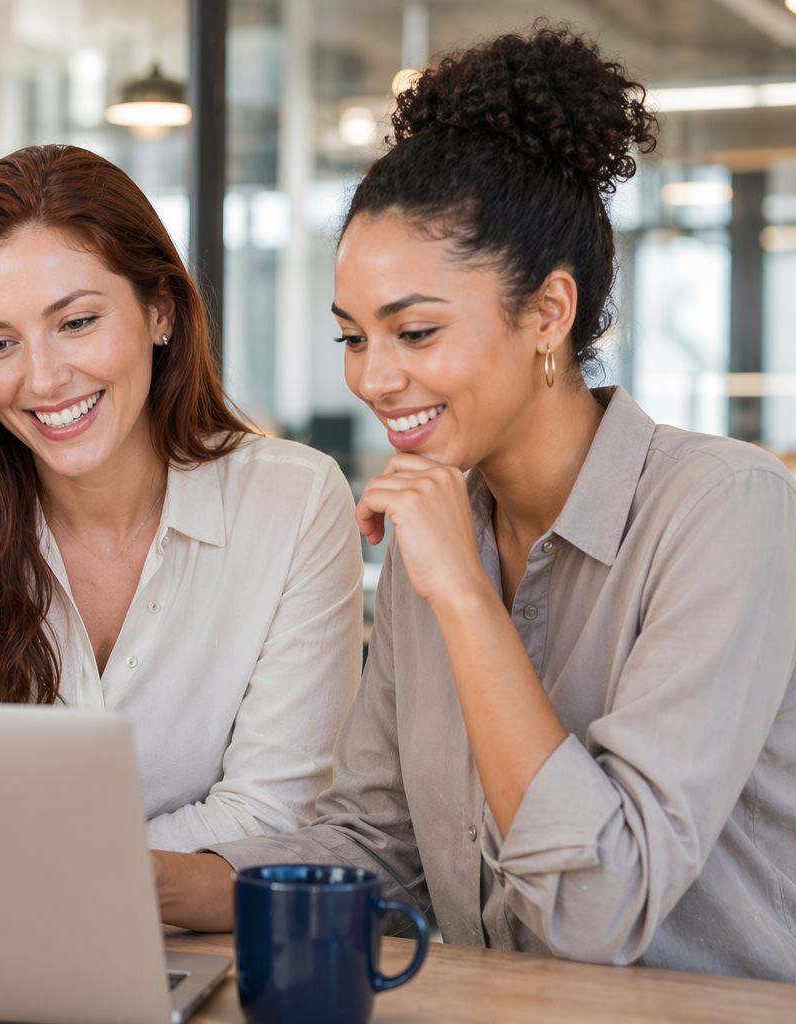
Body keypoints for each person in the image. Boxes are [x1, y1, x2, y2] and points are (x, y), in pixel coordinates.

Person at [152, 26, 796, 982]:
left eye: (414, 331)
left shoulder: (726, 512)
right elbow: (377, 847)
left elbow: (599, 906)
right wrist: (148, 882)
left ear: (548, 312)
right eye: (352, 338)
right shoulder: (441, 528)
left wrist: (462, 595)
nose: (374, 377)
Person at [0, 145, 363, 852]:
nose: (44, 377)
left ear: (161, 312)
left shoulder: (294, 502)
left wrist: (59, 871)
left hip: (213, 953)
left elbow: (274, 814)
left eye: (77, 322)